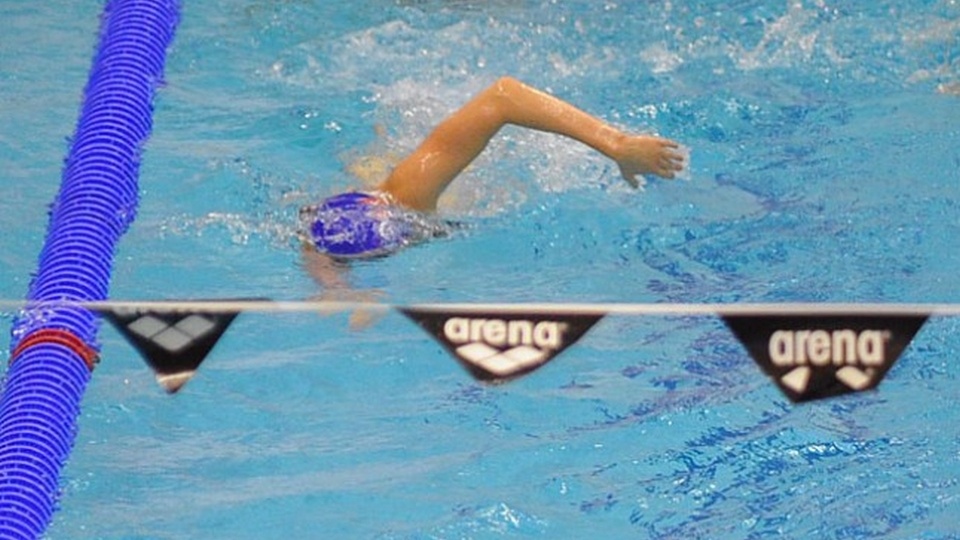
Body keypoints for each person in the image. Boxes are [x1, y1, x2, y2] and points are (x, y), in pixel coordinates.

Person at [300, 76, 686, 299]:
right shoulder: (330, 222)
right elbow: (315, 244)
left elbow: (503, 96)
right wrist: (337, 290)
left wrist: (616, 144)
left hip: (455, 153)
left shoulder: (410, 193)